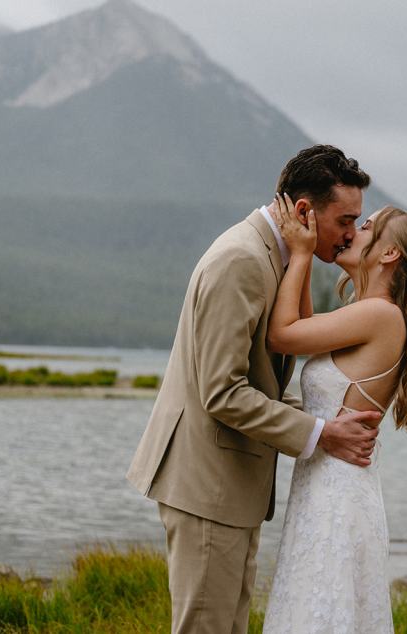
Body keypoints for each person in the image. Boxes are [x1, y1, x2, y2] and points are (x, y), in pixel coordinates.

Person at [126, 145, 384, 634]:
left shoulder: (274, 257)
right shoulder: (242, 260)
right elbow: (222, 392)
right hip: (206, 482)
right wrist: (319, 434)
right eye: (346, 219)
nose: (352, 233)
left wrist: (326, 420)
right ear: (305, 212)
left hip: (226, 484)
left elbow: (256, 379)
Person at [262, 193, 407, 633]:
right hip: (326, 487)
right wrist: (302, 256)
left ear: (390, 252)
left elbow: (282, 335)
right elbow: (303, 324)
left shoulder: (381, 315)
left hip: (337, 494)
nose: (351, 232)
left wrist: (300, 252)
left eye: (365, 227)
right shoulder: (367, 313)